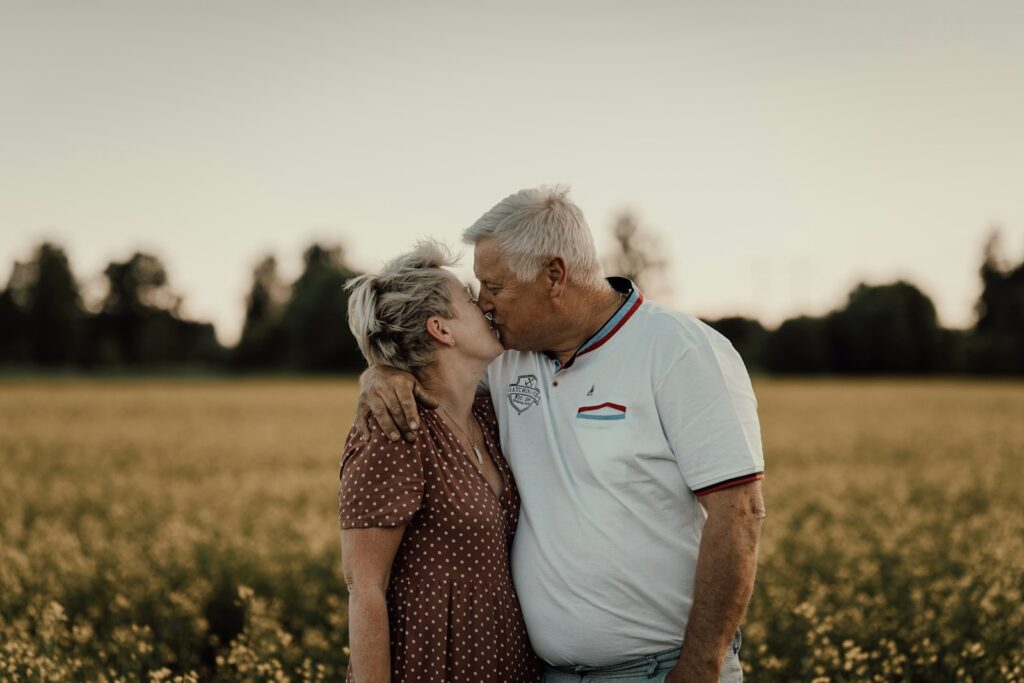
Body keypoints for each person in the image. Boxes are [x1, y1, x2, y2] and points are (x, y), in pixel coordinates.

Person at [356, 186, 766, 683]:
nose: (483, 304)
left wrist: (701, 665)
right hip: (546, 673)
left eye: (495, 286)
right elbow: (432, 366)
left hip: (664, 671)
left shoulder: (680, 350)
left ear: (554, 275)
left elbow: (739, 510)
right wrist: (382, 373)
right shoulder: (506, 358)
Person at [338, 241, 539, 682]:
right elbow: (365, 588)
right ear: (441, 330)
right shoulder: (395, 430)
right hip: (432, 666)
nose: (484, 304)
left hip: (503, 664)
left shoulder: (491, 415)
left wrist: (376, 370)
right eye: (468, 298)